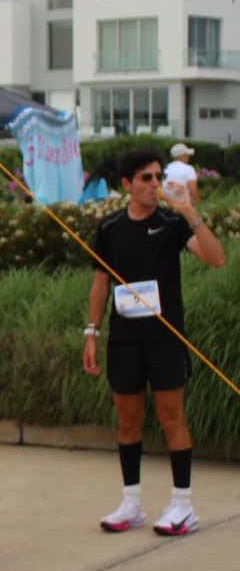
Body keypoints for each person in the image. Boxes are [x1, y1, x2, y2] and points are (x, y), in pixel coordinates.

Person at [82, 149, 224, 536]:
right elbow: (101, 283)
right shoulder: (110, 227)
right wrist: (92, 332)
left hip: (165, 338)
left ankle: (183, 506)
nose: (155, 184)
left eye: (158, 176)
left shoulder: (171, 223)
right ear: (127, 184)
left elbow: (216, 259)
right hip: (125, 339)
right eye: (146, 178)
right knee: (128, 420)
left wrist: (189, 211)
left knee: (171, 417)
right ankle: (131, 503)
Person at [164, 142, 200, 206]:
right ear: (182, 156)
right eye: (187, 155)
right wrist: (198, 206)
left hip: (165, 205)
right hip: (182, 206)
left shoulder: (165, 168)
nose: (188, 157)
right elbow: (193, 191)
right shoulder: (189, 169)